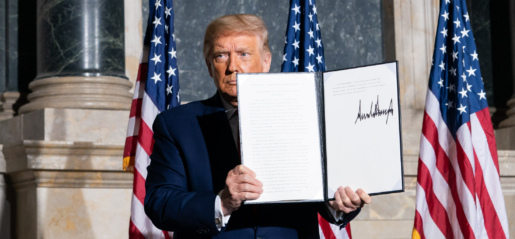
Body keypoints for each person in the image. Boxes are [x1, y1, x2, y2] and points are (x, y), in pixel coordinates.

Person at [144, 14, 371, 238]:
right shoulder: (177, 124)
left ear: (266, 61)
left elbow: (329, 195)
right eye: (221, 55)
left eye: (243, 54)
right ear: (209, 66)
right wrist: (221, 202)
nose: (233, 66)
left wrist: (339, 203)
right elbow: (159, 203)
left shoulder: (308, 115)